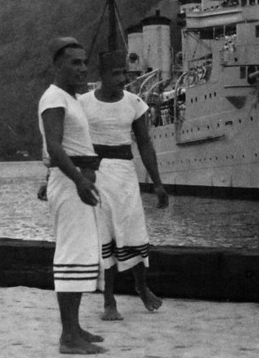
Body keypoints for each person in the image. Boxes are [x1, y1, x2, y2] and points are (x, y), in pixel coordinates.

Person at [79, 51, 169, 321]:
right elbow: (70, 141)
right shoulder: (82, 103)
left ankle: (141, 287)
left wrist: (158, 183)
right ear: (102, 76)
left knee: (134, 232)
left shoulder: (134, 103)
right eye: (115, 74)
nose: (122, 78)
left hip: (125, 175)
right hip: (96, 174)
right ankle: (109, 301)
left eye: (125, 73)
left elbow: (144, 144)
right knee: (106, 234)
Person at [38, 37, 106, 355]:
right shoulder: (54, 99)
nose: (82, 68)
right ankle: (68, 337)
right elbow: (54, 146)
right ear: (58, 65)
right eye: (74, 62)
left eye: (84, 62)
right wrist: (78, 180)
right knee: (70, 256)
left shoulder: (71, 98)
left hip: (75, 181)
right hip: (70, 183)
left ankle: (75, 327)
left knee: (81, 255)